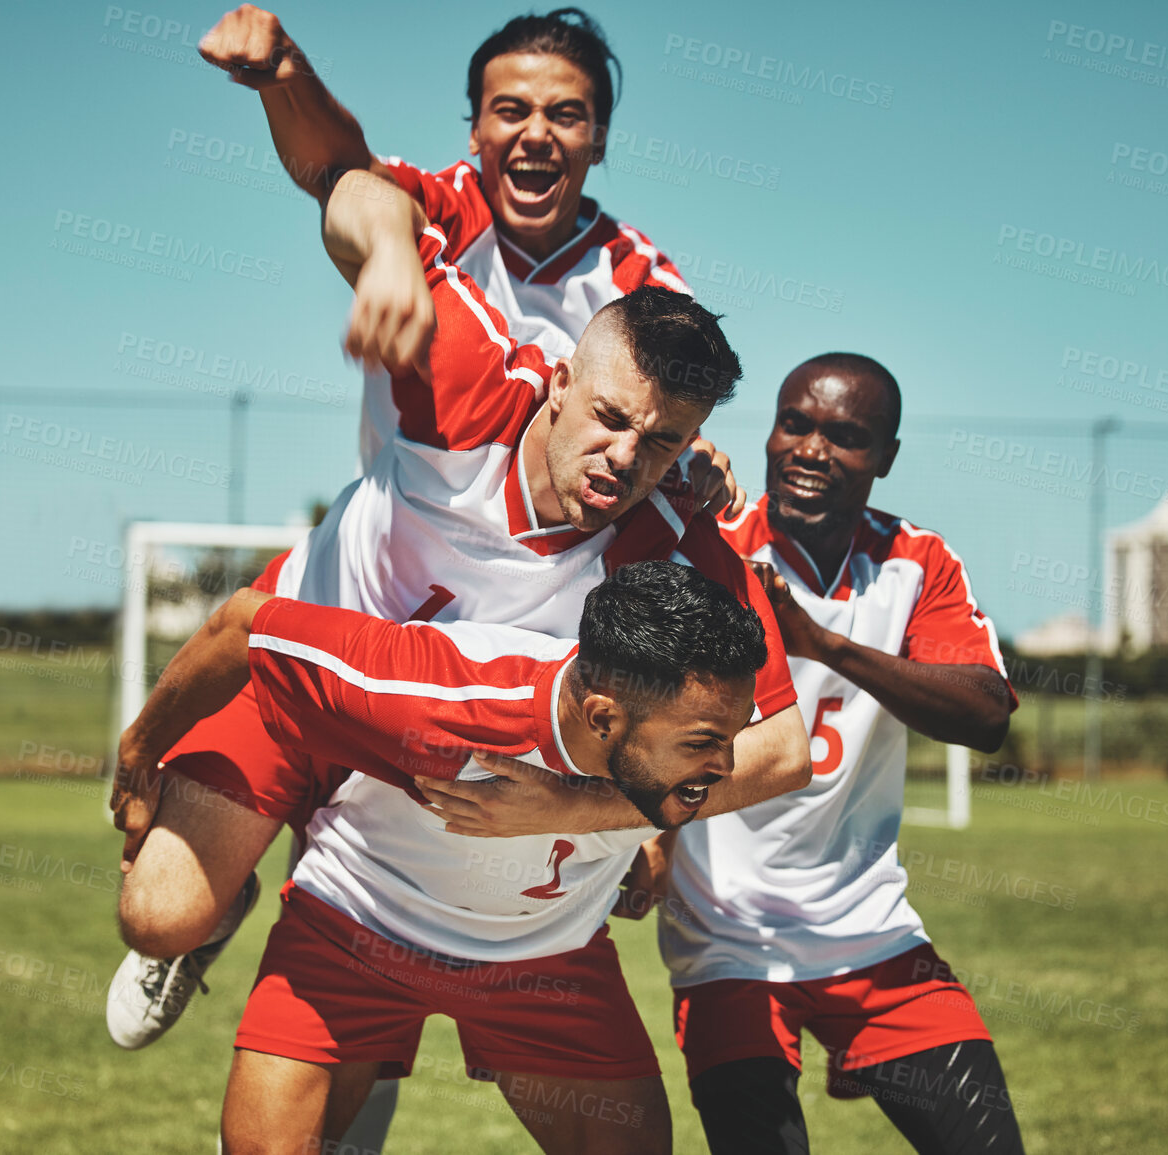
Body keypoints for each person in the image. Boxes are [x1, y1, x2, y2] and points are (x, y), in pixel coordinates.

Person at [107, 170, 808, 1046]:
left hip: (436, 752)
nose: (625, 457)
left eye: (662, 441)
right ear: (558, 381)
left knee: (393, 985)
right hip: (294, 677)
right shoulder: (468, 378)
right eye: (608, 417)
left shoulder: (677, 537)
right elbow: (352, 192)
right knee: (158, 914)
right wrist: (393, 253)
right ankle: (212, 920)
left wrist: (603, 813)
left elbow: (781, 752)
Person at [116, 561, 769, 1154]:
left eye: (733, 736)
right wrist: (137, 756)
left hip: (548, 955)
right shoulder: (441, 688)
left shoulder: (677, 725)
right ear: (601, 717)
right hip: (359, 926)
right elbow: (240, 626)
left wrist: (656, 837)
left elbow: (756, 761)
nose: (727, 767)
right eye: (706, 743)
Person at [645, 353, 1028, 1154]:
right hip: (728, 940)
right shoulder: (703, 552)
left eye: (844, 436)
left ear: (884, 458)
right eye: (795, 423)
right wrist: (648, 837)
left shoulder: (915, 562)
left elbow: (984, 713)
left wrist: (824, 645)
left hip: (871, 933)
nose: (809, 449)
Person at [195, 4, 694, 467]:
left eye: (565, 115)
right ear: (475, 130)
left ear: (598, 141)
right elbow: (340, 174)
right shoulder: (448, 210)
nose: (537, 133)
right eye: (511, 110)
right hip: (398, 547)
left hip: (564, 557)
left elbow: (676, 409)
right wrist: (289, 74)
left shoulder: (640, 277)